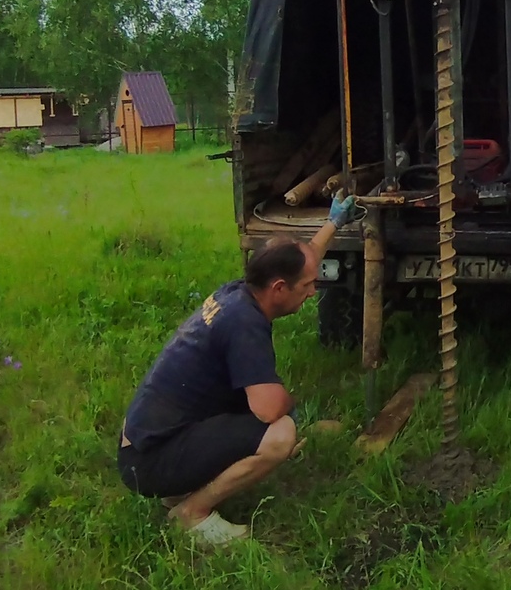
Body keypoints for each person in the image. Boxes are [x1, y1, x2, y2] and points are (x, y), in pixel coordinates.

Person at [117, 195, 363, 544]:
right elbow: (267, 408)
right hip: (148, 462)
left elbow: (304, 260)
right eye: (308, 286)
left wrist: (334, 222)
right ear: (279, 288)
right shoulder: (245, 325)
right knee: (280, 434)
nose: (313, 293)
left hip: (144, 442)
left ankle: (181, 487)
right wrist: (287, 401)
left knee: (258, 413)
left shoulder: (239, 292)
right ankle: (191, 512)